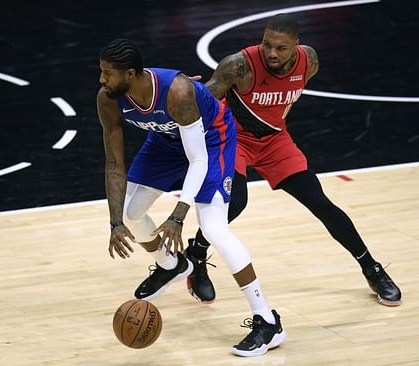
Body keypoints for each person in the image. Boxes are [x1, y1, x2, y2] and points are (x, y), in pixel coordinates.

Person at [185, 13, 402, 307]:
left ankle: (372, 269)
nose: (272, 53)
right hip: (234, 140)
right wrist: (179, 92)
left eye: (281, 48)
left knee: (320, 203)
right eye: (267, 45)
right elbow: (204, 100)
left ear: (296, 46)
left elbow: (277, 102)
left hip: (275, 141)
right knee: (235, 202)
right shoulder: (240, 65)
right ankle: (195, 256)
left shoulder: (309, 62)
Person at [96, 38, 286, 357]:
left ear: (129, 73)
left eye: (106, 73)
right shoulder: (108, 98)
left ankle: (268, 321)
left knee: (213, 228)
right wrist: (114, 222)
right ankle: (171, 265)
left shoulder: (177, 91)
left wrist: (177, 215)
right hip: (166, 140)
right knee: (131, 212)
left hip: (211, 140)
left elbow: (198, 160)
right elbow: (114, 161)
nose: (101, 79)